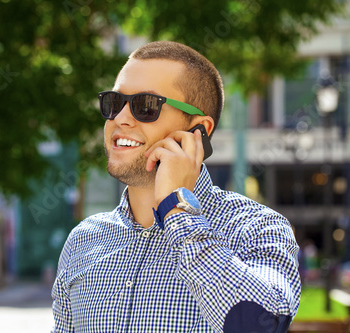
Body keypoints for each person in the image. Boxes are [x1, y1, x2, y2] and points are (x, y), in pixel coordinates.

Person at [52, 41, 301, 333]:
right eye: (113, 103)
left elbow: (261, 325)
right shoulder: (83, 240)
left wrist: (177, 209)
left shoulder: (257, 228)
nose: (119, 119)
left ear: (199, 130)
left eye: (145, 106)